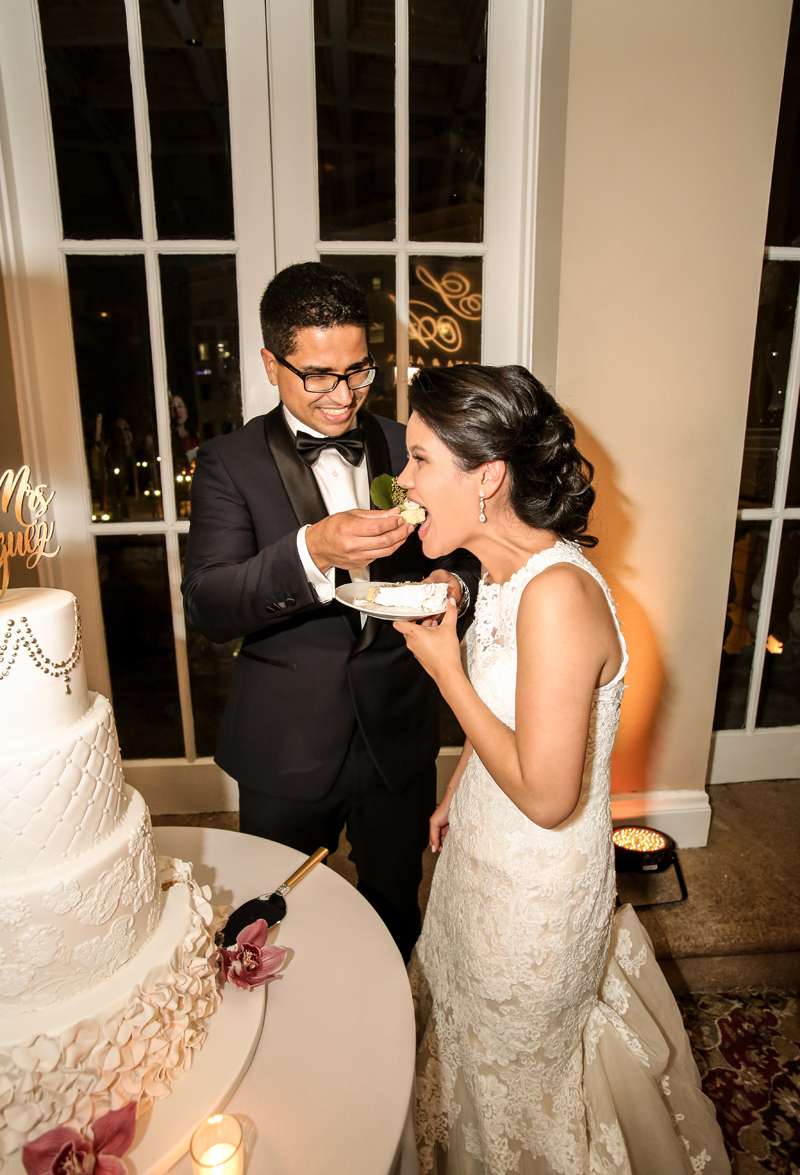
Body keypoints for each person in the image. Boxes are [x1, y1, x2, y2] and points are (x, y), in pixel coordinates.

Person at [393, 365, 730, 1174]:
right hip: (481, 856)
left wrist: (445, 671)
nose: (402, 480)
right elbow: (517, 715)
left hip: (532, 894)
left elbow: (549, 797)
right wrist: (458, 787)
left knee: (517, 1080)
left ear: (488, 477)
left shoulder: (558, 596)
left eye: (419, 459)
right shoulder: (504, 573)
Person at [181, 263, 480, 961]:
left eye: (358, 371)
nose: (343, 396)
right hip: (284, 741)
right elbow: (209, 605)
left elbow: (472, 550)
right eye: (318, 375)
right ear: (271, 365)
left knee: (395, 904)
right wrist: (310, 550)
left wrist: (455, 585)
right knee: (273, 915)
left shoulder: (409, 442)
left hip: (397, 733)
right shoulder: (227, 462)